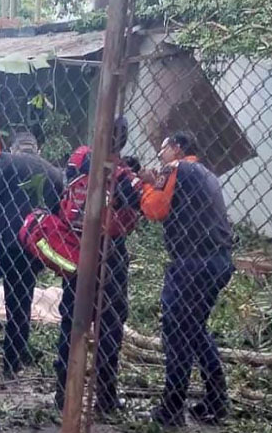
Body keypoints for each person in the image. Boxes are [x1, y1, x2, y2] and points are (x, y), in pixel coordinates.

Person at [139, 132, 234, 426]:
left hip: (192, 263)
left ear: (178, 149)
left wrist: (143, 184)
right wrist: (156, 182)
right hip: (218, 260)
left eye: (164, 149)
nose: (161, 155)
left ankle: (172, 408)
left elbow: (155, 209)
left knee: (177, 331)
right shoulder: (205, 172)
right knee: (194, 329)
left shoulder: (177, 168)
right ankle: (216, 400)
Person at [54, 117, 142, 414]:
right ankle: (104, 398)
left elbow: (64, 188)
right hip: (111, 249)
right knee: (110, 324)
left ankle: (63, 393)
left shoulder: (79, 159)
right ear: (122, 139)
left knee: (71, 320)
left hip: (77, 244)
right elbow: (135, 205)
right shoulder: (123, 174)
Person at [0, 131, 63, 377]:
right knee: (19, 304)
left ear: (16, 148)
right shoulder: (54, 173)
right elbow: (58, 214)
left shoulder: (6, 161)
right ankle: (12, 361)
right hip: (30, 246)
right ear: (37, 150)